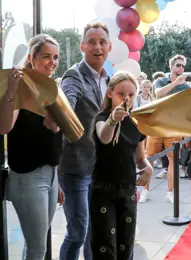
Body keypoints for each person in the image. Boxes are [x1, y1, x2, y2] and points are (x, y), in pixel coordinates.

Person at [0, 34, 64, 259]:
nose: (52, 62)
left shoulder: (52, 88)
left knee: (36, 244)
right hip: (27, 177)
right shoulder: (20, 87)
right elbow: (4, 127)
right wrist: (10, 94)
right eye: (46, 56)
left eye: (55, 57)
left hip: (50, 175)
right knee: (38, 248)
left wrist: (56, 181)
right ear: (31, 57)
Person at [59, 21, 111, 260]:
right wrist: (63, 111)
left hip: (100, 168)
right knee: (78, 232)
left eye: (102, 42)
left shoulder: (108, 79)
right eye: (92, 42)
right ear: (82, 46)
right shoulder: (74, 75)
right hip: (75, 168)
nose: (97, 47)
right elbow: (67, 102)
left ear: (109, 46)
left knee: (95, 232)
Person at [90, 71, 152, 259]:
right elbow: (104, 136)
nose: (126, 99)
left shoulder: (136, 122)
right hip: (103, 190)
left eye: (131, 95)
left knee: (126, 247)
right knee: (105, 248)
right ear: (110, 93)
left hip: (127, 189)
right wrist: (113, 119)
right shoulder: (102, 117)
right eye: (121, 94)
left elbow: (139, 157)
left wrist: (147, 168)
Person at [141, 55, 190, 203]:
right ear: (171, 66)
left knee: (173, 160)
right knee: (148, 158)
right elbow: (158, 93)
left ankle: (170, 192)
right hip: (157, 125)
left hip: (174, 127)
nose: (181, 68)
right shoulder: (160, 81)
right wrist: (175, 83)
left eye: (183, 66)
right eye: (178, 65)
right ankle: (145, 190)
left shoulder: (186, 86)